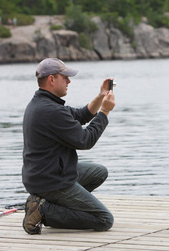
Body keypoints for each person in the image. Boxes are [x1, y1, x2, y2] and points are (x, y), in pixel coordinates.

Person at [22, 58, 115, 234]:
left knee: (99, 172)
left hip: (43, 175)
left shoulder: (41, 103)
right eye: (65, 77)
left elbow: (81, 115)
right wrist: (105, 112)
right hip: (52, 181)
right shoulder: (51, 111)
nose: (69, 81)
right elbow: (86, 140)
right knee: (104, 220)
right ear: (51, 79)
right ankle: (43, 211)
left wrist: (101, 95)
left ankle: (45, 203)